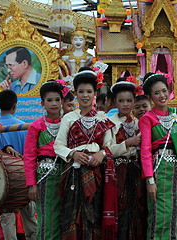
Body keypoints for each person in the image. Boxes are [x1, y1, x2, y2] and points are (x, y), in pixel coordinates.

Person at [54, 68, 116, 240]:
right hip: (73, 174)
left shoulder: (102, 119)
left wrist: (101, 155)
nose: (85, 95)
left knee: (94, 213)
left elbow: (110, 145)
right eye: (81, 91)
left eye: (89, 91)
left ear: (95, 93)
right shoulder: (68, 118)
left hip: (96, 174)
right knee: (72, 215)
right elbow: (58, 145)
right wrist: (73, 154)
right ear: (75, 94)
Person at [139, 72, 177, 239]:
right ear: (149, 96)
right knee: (160, 215)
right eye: (156, 93)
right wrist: (150, 180)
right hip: (159, 171)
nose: (161, 95)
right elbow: (146, 150)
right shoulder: (147, 118)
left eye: (164, 90)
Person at [0, 90, 37, 240]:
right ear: (15, 106)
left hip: (4, 186)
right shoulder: (24, 127)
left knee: (8, 224)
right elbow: (30, 154)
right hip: (24, 181)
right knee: (31, 222)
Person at [23, 80, 67, 239]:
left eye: (57, 99)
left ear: (62, 101)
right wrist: (31, 184)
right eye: (49, 100)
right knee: (46, 217)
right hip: (44, 178)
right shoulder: (36, 126)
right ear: (42, 103)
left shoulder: (68, 123)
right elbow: (29, 157)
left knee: (65, 217)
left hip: (66, 175)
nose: (54, 104)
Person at [109, 80, 142, 239]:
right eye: (121, 101)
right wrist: (127, 143)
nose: (125, 104)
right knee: (120, 209)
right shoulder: (109, 123)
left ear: (134, 101)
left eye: (129, 100)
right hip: (118, 173)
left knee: (137, 208)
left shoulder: (138, 123)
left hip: (135, 172)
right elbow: (107, 149)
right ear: (115, 102)